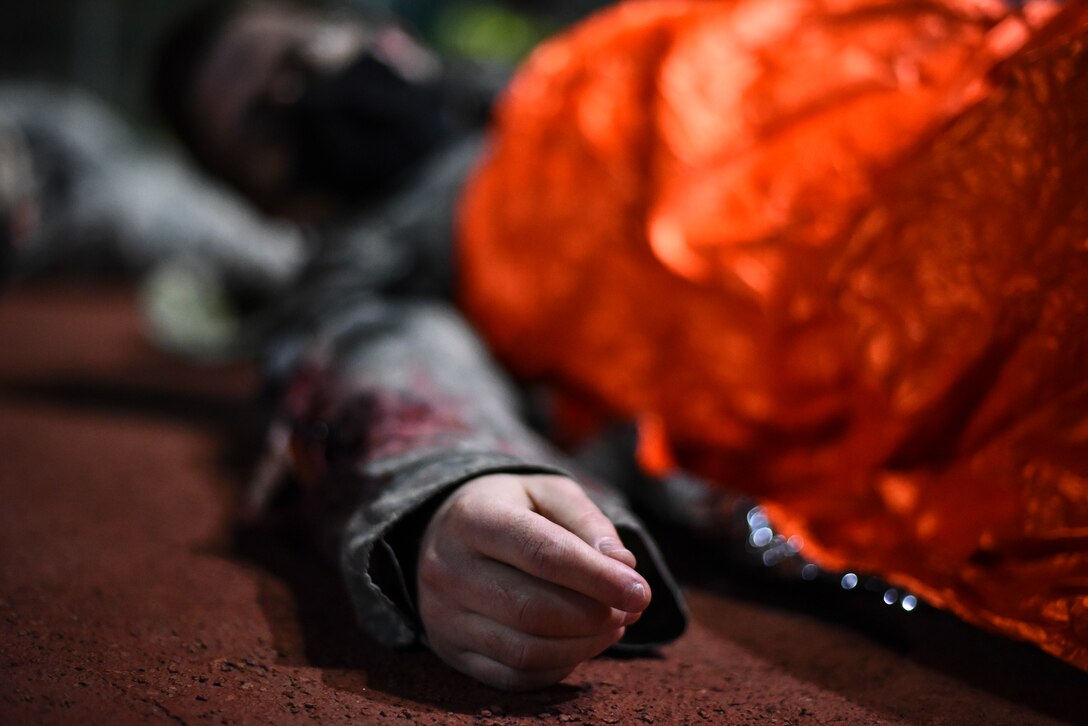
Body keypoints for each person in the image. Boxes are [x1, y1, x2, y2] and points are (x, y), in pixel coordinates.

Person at [148, 0, 1088, 688]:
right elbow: (382, 363)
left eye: (301, 58)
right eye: (264, 122)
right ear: (267, 202)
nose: (305, 97)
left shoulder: (556, 62)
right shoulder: (373, 273)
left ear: (385, 39)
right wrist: (451, 485)